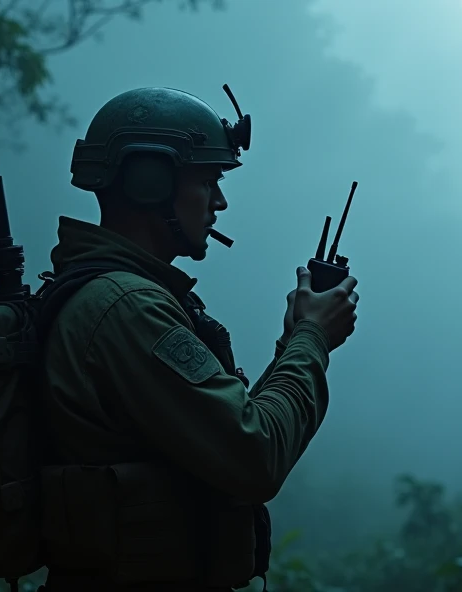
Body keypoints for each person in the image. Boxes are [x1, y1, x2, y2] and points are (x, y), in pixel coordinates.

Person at [35, 86, 359, 591]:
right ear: (150, 182)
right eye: (208, 181)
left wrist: (295, 340)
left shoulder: (120, 298)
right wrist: (314, 337)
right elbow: (255, 455)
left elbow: (223, 430)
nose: (220, 201)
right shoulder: (128, 309)